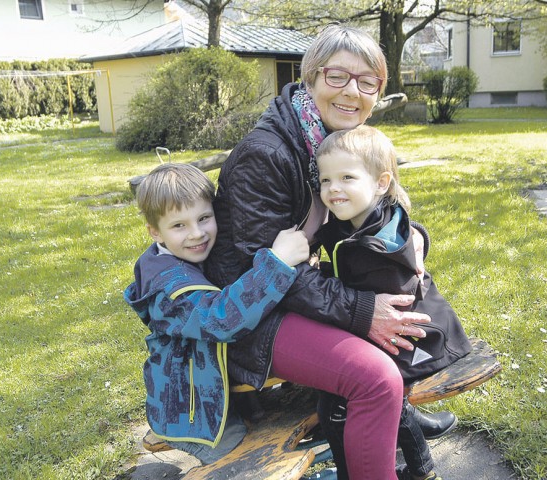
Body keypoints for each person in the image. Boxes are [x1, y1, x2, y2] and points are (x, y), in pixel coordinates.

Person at [204, 24, 455, 479]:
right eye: (337, 76)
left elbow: (372, 208)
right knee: (375, 378)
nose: (351, 92)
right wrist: (362, 311)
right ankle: (388, 422)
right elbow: (263, 272)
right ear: (311, 78)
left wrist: (413, 235)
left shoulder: (333, 139)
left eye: (367, 82)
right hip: (251, 313)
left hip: (302, 291)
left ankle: (396, 424)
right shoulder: (266, 156)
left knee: (412, 313)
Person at [314, 125, 473, 480]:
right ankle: (415, 464)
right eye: (325, 180)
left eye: (346, 178)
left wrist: (321, 281)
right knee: (385, 405)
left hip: (403, 341)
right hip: (384, 336)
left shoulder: (378, 246)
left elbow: (384, 305)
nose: (333, 188)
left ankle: (416, 470)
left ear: (381, 183)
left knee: (357, 405)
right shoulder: (358, 219)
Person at [123, 163, 311, 464]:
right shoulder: (169, 289)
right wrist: (277, 263)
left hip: (211, 388)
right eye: (179, 226)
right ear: (155, 232)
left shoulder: (184, 255)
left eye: (204, 218)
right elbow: (222, 319)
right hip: (189, 410)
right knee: (240, 460)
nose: (197, 233)